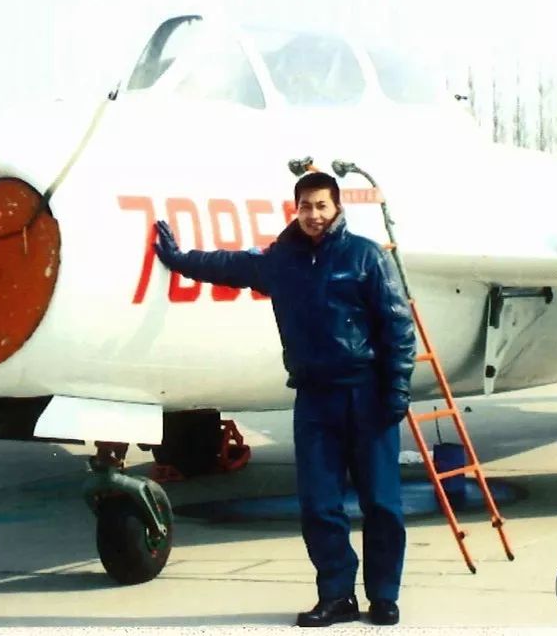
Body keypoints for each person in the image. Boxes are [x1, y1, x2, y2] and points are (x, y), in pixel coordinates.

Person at [152, 171, 416, 627]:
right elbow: (229, 265)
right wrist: (178, 260)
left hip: (366, 395)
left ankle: (384, 595)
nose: (314, 215)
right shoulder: (282, 261)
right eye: (306, 206)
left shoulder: (366, 257)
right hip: (315, 399)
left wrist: (395, 392)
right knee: (318, 505)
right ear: (297, 209)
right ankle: (337, 596)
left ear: (337, 208)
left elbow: (398, 328)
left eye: (322, 206)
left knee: (382, 504)